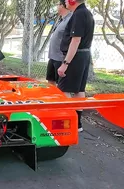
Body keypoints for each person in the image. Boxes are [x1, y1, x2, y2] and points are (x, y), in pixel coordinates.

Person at [58, 0, 95, 132]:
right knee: (79, 90)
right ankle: (77, 123)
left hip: (76, 56)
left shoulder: (78, 14)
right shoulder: (88, 13)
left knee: (64, 89)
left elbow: (76, 40)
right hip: (84, 55)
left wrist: (65, 63)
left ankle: (69, 121)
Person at [46, 0, 72, 85]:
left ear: (62, 6)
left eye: (58, 4)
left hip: (60, 58)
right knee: (50, 81)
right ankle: (51, 98)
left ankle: (60, 98)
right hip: (52, 57)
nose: (57, 7)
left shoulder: (70, 19)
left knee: (61, 85)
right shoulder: (61, 19)